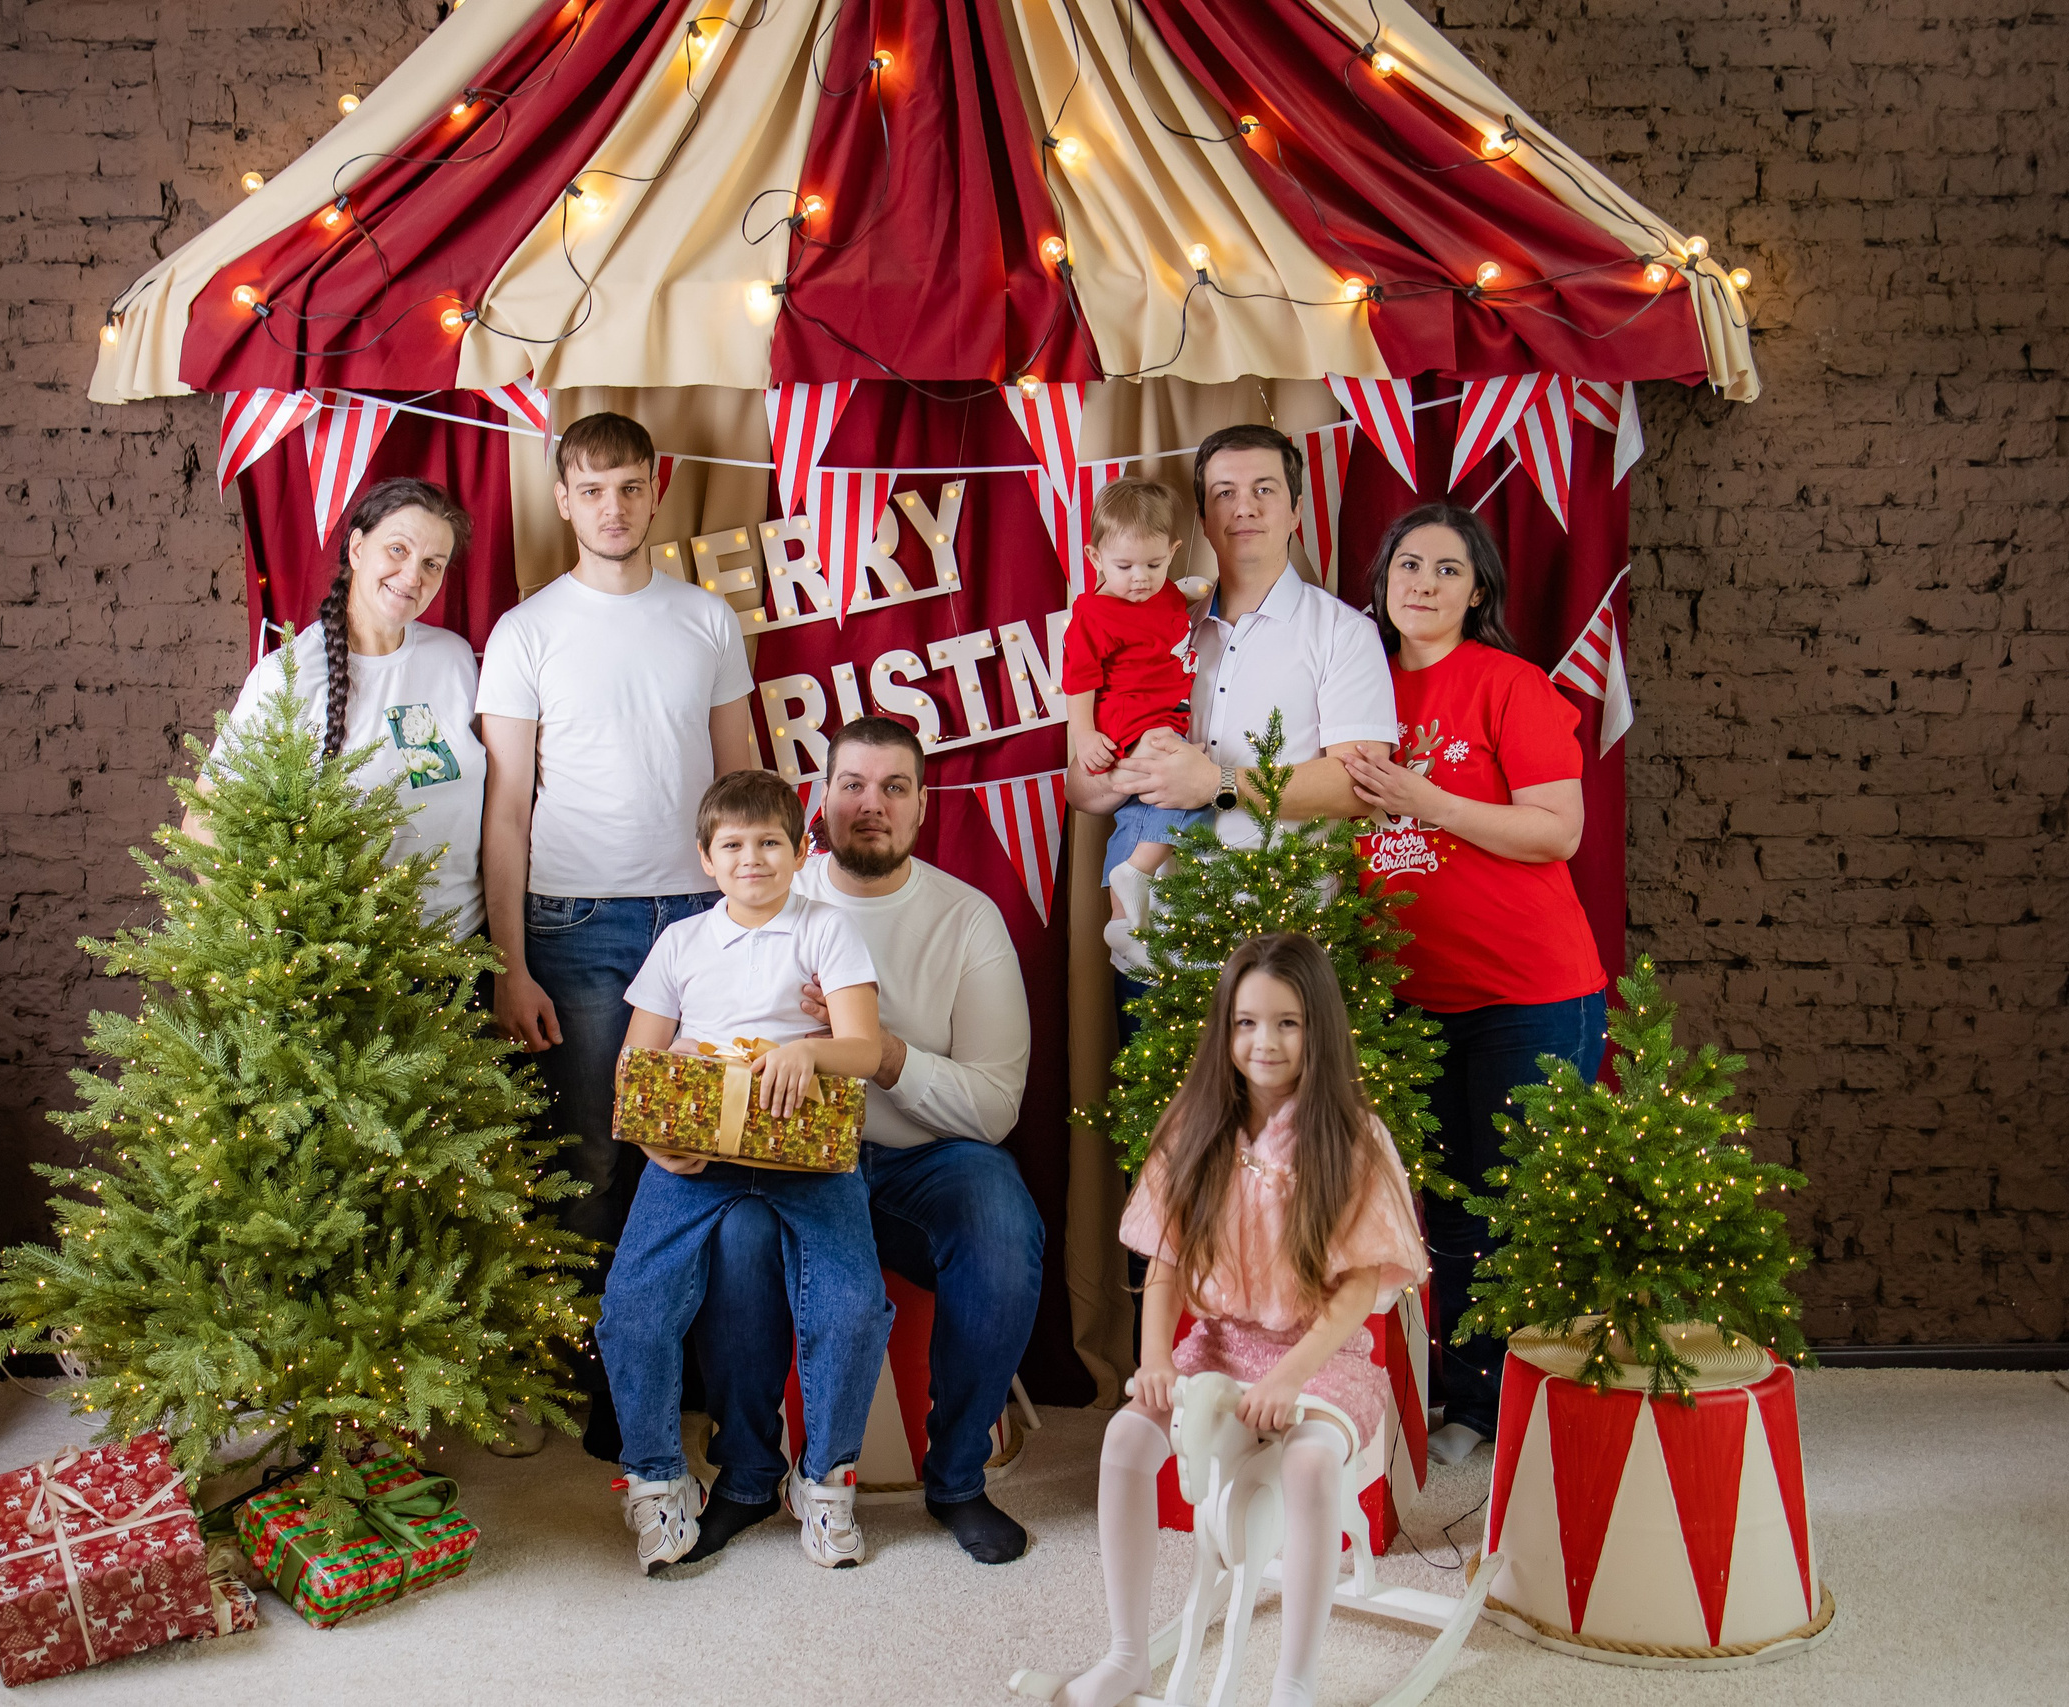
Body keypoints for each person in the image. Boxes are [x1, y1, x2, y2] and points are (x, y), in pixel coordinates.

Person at [685, 717, 1041, 1567]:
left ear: (922, 807)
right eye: (852, 785)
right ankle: (746, 1473)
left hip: (926, 1160)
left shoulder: (967, 919)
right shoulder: (766, 894)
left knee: (1001, 1219)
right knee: (736, 1233)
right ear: (821, 801)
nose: (871, 804)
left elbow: (995, 1106)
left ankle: (957, 1476)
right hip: (798, 1164)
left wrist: (880, 1050)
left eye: (894, 787)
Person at [478, 412, 755, 1453]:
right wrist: (510, 963)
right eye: (592, 489)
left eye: (630, 486)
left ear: (656, 489)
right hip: (575, 921)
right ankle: (601, 1379)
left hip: (699, 917)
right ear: (563, 500)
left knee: (704, 1144)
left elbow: (740, 784)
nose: (612, 507)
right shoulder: (526, 630)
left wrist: (762, 922)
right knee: (593, 1157)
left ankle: (701, 1369)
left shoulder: (704, 618)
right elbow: (506, 809)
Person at [1054, 933, 1427, 1707]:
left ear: (1318, 1028)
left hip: (1319, 1353)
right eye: (1247, 1022)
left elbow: (1357, 1287)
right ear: (1225, 1028)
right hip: (1220, 1342)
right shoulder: (1194, 1127)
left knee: (1310, 1465)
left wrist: (1291, 1377)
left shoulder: (1352, 1138)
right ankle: (1126, 1652)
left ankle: (1295, 1680)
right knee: (1126, 1438)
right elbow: (1164, 1260)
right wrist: (1156, 1359)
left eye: (1288, 1023)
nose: (1265, 1042)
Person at [1337, 503, 1608, 1465]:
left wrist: (1430, 801)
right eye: (1407, 564)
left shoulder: (1509, 684)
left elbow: (1557, 830)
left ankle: (1556, 1402)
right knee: (1449, 1210)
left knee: (1527, 1205)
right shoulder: (1356, 687)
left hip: (1530, 993)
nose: (1423, 583)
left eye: (1447, 568)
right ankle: (1478, 1402)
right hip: (1414, 1001)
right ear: (1382, 582)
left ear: (1478, 588)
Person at [598, 769, 893, 1574]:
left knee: (854, 1307)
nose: (752, 858)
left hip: (807, 1153)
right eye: (733, 845)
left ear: (801, 850)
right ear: (706, 858)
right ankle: (658, 1479)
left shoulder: (826, 930)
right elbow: (636, 1065)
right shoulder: (681, 943)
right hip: (695, 1153)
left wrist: (807, 1049)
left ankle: (824, 1480)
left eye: (769, 842)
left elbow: (864, 1047)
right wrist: (654, 1145)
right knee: (632, 1307)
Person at [1071, 424, 1398, 980]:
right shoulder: (1160, 625)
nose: (1244, 506)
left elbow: (1358, 787)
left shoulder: (1342, 633)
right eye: (1225, 492)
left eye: (1264, 489)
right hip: (1157, 949)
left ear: (1296, 511)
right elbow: (1082, 789)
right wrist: (1129, 770)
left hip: (1281, 953)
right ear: (1202, 518)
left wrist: (1217, 785)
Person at [186, 478, 481, 938]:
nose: (412, 577)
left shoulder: (455, 659)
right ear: (358, 549)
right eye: (398, 550)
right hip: (356, 962)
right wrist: (261, 941)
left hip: (469, 947)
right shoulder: (288, 676)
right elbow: (202, 818)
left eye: (432, 564)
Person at [1060, 479, 1213, 965]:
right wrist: (1085, 735)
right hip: (1133, 723)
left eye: (1153, 564)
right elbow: (1079, 681)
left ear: (1173, 552)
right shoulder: (1094, 614)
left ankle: (1124, 918)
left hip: (1164, 715)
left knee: (1146, 813)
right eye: (1124, 567)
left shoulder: (1162, 594)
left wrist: (1187, 592)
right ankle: (1135, 874)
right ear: (1095, 557)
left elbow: (1166, 617)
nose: (1140, 579)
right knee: (1181, 794)